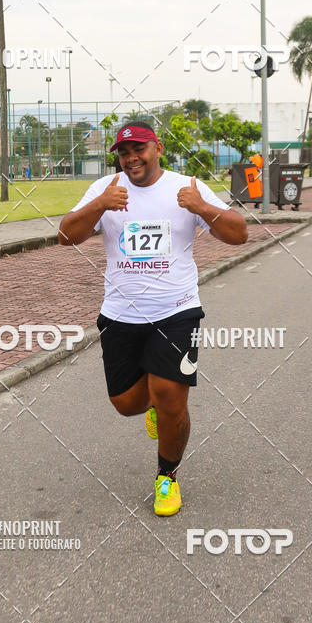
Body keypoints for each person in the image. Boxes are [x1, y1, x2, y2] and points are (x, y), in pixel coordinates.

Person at [58, 122, 247, 517]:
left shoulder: (187, 187)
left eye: (138, 149)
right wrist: (99, 206)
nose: (131, 158)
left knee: (170, 397)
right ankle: (152, 409)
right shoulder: (105, 190)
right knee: (126, 404)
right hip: (120, 314)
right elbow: (65, 236)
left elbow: (239, 234)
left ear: (157, 148)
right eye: (123, 152)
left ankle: (167, 477)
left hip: (176, 311)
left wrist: (202, 209)